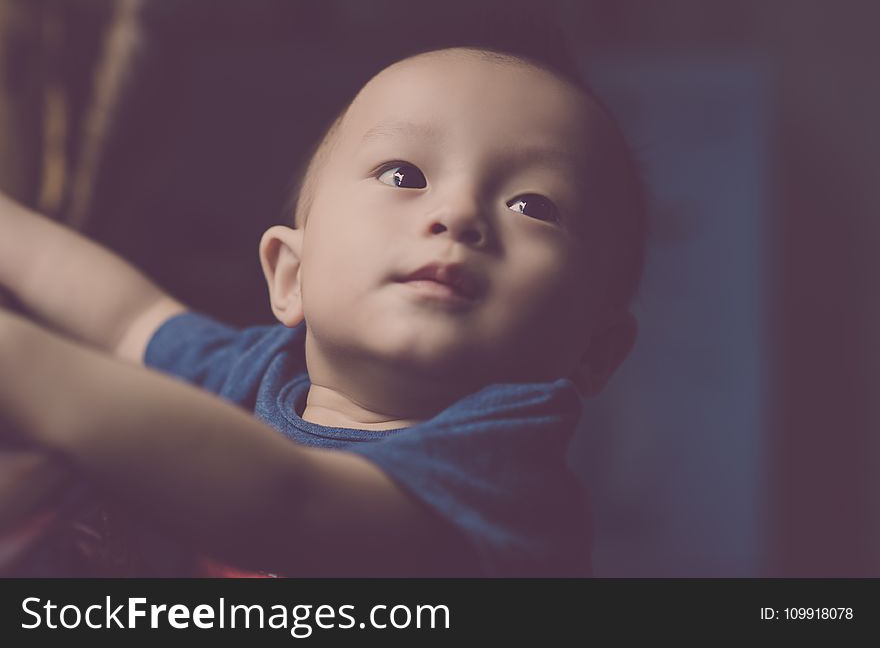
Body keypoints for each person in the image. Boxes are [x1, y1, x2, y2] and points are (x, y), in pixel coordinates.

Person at [0, 45, 645, 577]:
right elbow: (126, 318)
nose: (458, 215)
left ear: (596, 349)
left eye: (534, 206)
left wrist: (22, 360)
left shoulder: (509, 469)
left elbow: (289, 506)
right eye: (403, 176)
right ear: (291, 275)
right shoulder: (256, 373)